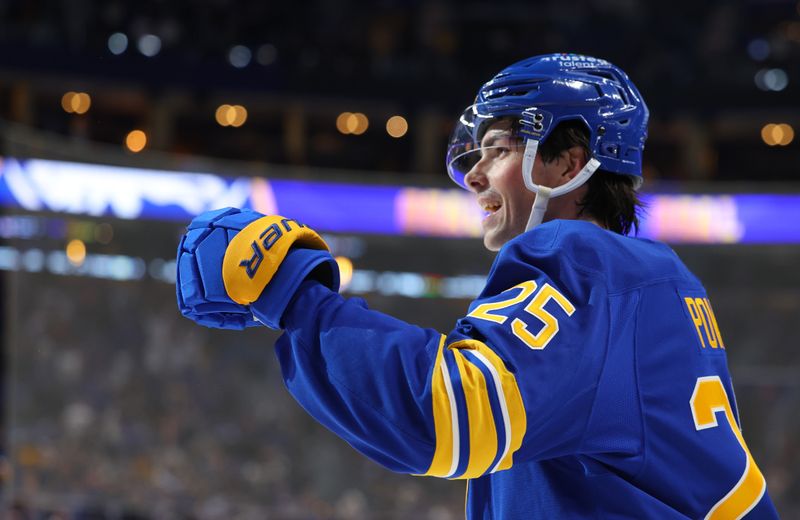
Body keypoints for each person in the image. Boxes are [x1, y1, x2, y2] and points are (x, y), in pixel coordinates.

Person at [176, 53, 778, 518]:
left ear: (570, 163)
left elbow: (448, 413)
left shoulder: (582, 257)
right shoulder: (658, 279)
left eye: (498, 150)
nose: (474, 174)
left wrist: (291, 292)